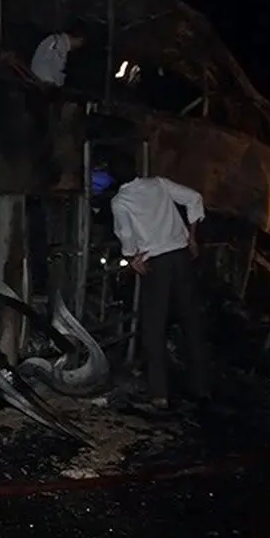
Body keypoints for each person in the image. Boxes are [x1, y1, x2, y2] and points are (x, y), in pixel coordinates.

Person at [106, 151, 211, 412]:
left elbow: (126, 236)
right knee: (191, 321)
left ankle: (159, 394)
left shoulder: (120, 201)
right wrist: (192, 237)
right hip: (182, 258)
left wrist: (132, 259)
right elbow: (194, 198)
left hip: (158, 264)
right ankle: (201, 388)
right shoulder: (159, 184)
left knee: (154, 326)